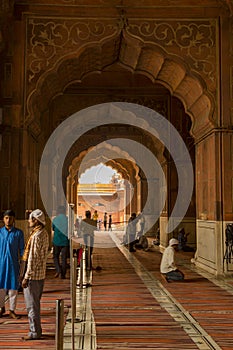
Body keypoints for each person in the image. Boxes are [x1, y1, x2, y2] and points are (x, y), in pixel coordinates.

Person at [21, 209, 49, 341]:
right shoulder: (42, 233)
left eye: (30, 218)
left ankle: (34, 332)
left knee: (31, 305)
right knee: (35, 304)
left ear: (36, 221)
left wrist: (26, 276)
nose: (28, 221)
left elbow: (33, 258)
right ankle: (37, 330)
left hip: (33, 276)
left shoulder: (37, 236)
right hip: (40, 275)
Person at [0, 210, 24, 319]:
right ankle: (1, 308)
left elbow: (22, 249)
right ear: (3, 219)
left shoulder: (19, 233)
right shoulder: (0, 233)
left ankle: (12, 310)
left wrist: (24, 263)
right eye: (6, 218)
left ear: (14, 219)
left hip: (13, 264)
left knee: (13, 288)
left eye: (10, 218)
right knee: (1, 288)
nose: (8, 220)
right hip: (1, 265)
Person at [52, 205, 69, 279]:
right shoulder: (67, 219)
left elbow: (53, 228)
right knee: (64, 258)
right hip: (65, 241)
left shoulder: (55, 219)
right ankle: (63, 274)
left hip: (56, 241)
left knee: (55, 256)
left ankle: (58, 270)